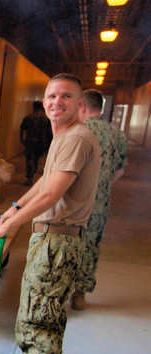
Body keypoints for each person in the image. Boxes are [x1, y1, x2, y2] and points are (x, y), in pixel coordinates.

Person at [0, 73, 101, 354]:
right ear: (43, 101)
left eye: (66, 97)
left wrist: (13, 225)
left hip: (58, 241)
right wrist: (14, 206)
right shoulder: (64, 136)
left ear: (80, 104)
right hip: (52, 238)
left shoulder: (77, 137)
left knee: (36, 320)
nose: (57, 102)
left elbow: (53, 194)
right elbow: (42, 182)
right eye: (51, 96)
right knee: (44, 314)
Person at [70, 89, 128, 310]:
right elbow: (120, 170)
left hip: (73, 203)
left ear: (82, 106)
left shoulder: (76, 130)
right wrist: (101, 186)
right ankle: (79, 295)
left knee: (66, 244)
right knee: (90, 245)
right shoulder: (117, 134)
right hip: (100, 203)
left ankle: (60, 292)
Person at [20, 100, 53, 184]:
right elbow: (50, 132)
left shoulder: (28, 117)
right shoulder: (46, 119)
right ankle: (33, 172)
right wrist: (49, 144)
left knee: (30, 159)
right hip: (42, 142)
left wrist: (22, 139)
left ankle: (29, 178)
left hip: (30, 141)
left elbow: (22, 129)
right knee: (36, 159)